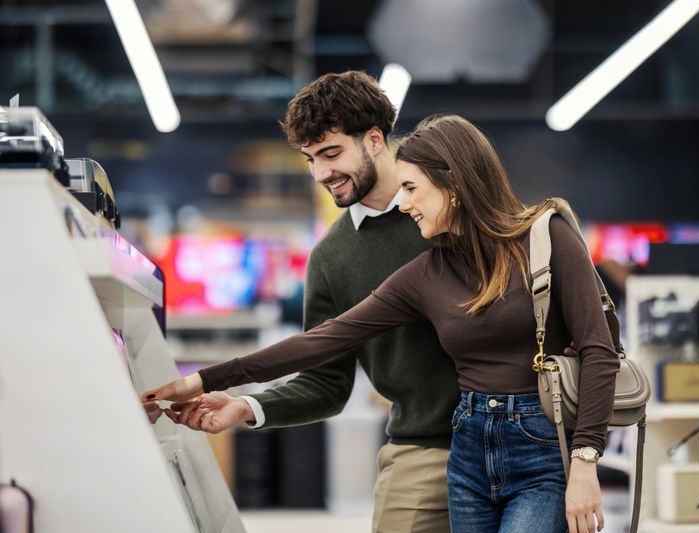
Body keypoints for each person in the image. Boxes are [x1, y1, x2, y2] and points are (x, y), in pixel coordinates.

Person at [144, 115, 620, 533]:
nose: (405, 202)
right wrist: (200, 380)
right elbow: (324, 341)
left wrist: (585, 461)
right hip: (469, 450)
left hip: (541, 448)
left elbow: (599, 350)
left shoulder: (547, 235)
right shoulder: (425, 273)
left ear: (452, 183)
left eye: (412, 188)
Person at [159, 71, 462, 533]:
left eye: (331, 153)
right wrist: (247, 406)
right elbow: (326, 383)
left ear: (375, 139)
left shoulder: (453, 213)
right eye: (310, 159)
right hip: (422, 450)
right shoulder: (331, 259)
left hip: (516, 442)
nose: (321, 174)